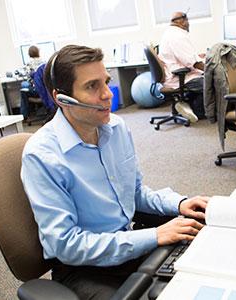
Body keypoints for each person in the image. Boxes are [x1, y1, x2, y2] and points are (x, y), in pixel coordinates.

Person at [21, 45, 209, 299]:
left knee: (199, 264)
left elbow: (134, 193)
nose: (108, 94)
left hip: (127, 244)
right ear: (60, 98)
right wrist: (154, 236)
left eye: (106, 82)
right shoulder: (42, 155)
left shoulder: (116, 128)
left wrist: (180, 203)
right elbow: (66, 245)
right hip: (83, 268)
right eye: (92, 86)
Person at [158, 11, 206, 122]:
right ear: (181, 21)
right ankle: (197, 111)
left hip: (175, 74)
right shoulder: (178, 36)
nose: (188, 23)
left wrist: (198, 56)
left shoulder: (170, 33)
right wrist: (212, 70)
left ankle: (187, 105)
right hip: (180, 77)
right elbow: (193, 63)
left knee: (206, 78)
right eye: (187, 20)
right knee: (212, 82)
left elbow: (183, 57)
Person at [20, 45, 45, 120]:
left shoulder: (29, 64)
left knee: (23, 91)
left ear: (29, 54)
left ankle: (25, 116)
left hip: (37, 91)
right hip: (46, 91)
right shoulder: (44, 62)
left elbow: (28, 77)